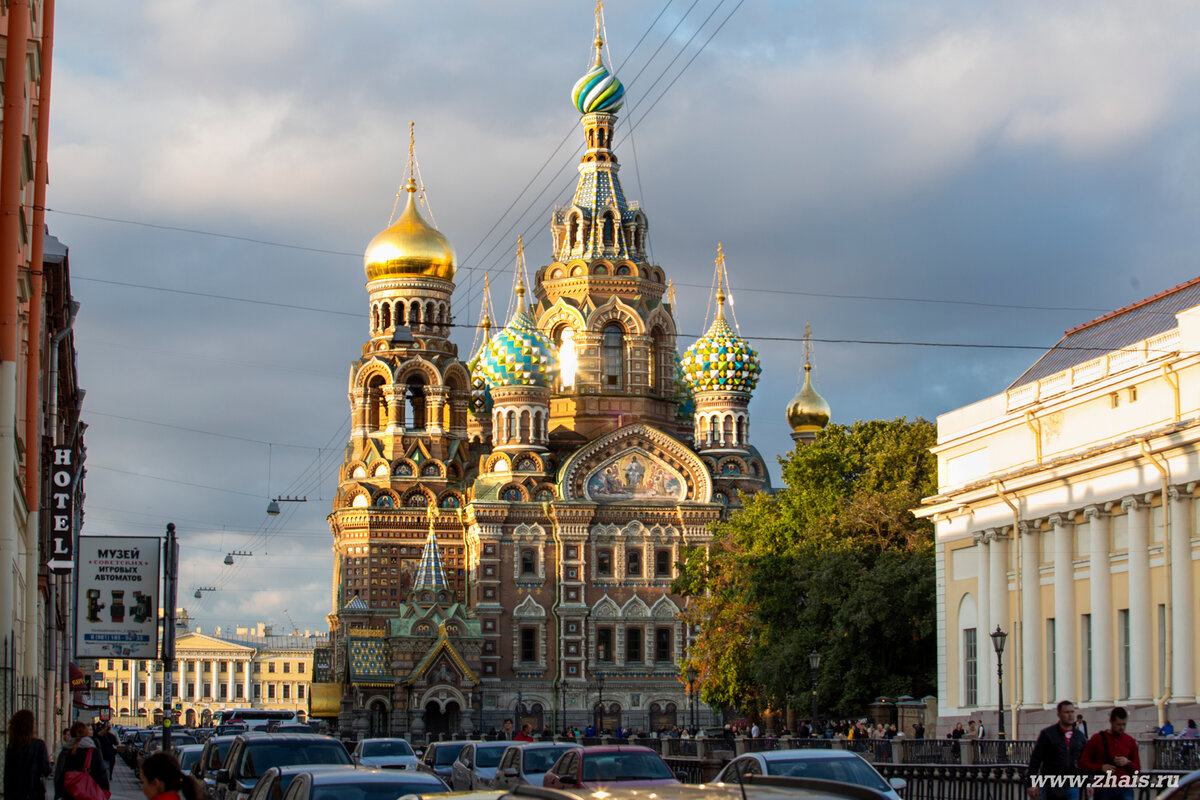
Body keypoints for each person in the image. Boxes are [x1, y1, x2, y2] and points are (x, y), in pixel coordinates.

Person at [1026, 700, 1086, 800]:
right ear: (1059, 714)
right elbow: (1035, 760)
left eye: (1072, 712)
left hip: (1073, 784)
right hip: (1051, 785)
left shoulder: (1079, 736)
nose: (1070, 715)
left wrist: (1088, 782)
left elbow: (1084, 760)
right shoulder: (1048, 734)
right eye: (1067, 712)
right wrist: (1031, 783)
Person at [1078, 707, 1140, 800]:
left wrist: (1127, 762)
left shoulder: (1130, 741)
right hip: (1103, 788)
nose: (1122, 728)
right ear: (1111, 721)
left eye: (1124, 724)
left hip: (1124, 788)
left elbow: (1137, 769)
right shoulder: (1097, 739)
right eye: (1118, 724)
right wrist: (1101, 768)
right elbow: (1083, 763)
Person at [53, 721, 109, 800]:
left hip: (68, 793)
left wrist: (58, 794)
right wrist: (105, 791)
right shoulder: (93, 751)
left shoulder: (66, 751)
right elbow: (102, 774)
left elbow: (59, 773)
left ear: (72, 734)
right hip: (89, 793)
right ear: (86, 733)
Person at [4, 709, 52, 800]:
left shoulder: (11, 747)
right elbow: (46, 770)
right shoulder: (38, 745)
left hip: (15, 794)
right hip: (33, 793)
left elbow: (8, 776)